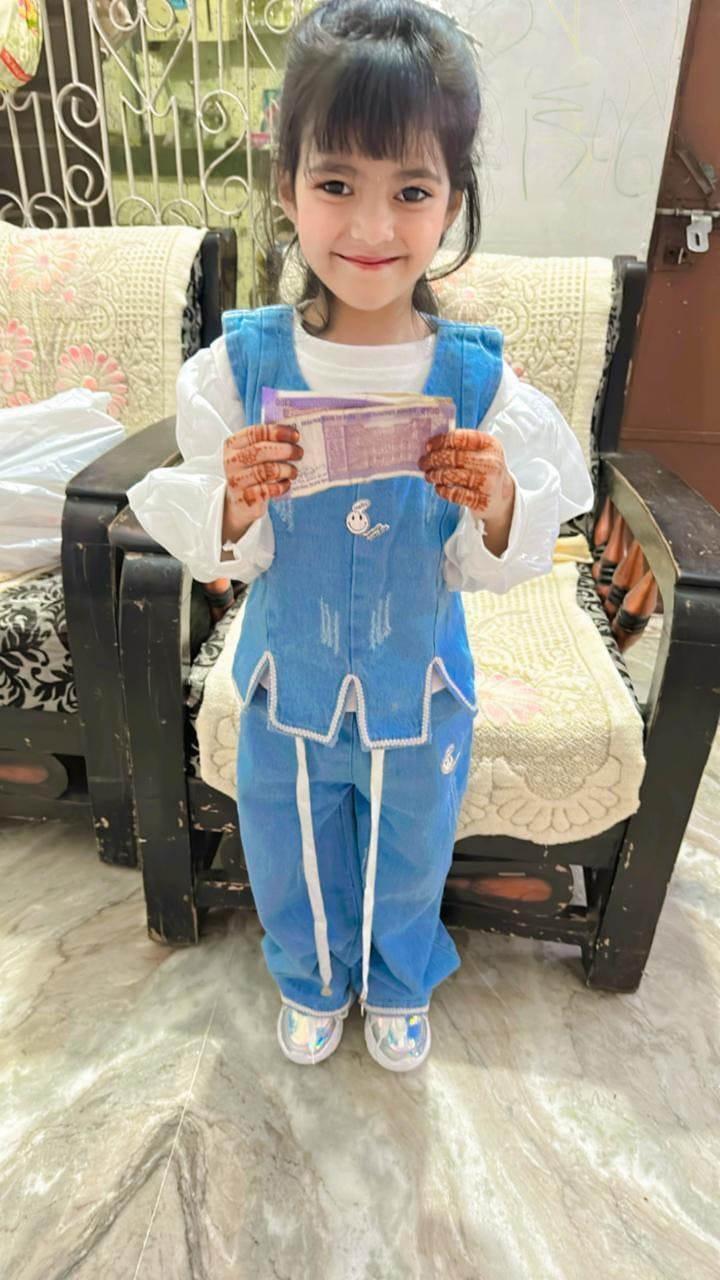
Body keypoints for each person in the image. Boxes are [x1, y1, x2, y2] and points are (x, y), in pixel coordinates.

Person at [128, 0, 593, 1073]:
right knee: (285, 836)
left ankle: (396, 980)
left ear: (452, 203)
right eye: (337, 183)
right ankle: (308, 976)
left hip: (418, 680)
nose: (373, 228)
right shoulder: (238, 370)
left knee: (411, 842)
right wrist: (236, 500)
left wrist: (497, 500)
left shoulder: (476, 381)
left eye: (411, 191)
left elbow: (509, 541)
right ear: (287, 186)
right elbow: (214, 543)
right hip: (286, 679)